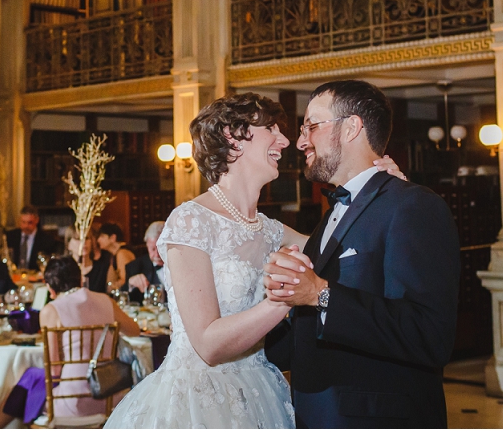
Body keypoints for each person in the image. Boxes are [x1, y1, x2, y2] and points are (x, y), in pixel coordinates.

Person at [105, 92, 405, 428]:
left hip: (260, 393)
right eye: (272, 128)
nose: (285, 140)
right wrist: (285, 299)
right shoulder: (191, 221)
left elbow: (352, 249)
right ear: (234, 137)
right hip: (196, 401)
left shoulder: (273, 232)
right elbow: (208, 344)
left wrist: (385, 192)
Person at [262, 80, 459, 428]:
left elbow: (429, 335)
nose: (300, 140)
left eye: (312, 126)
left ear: (352, 127)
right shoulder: (332, 216)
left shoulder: (413, 205)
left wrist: (321, 294)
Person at [0, 256, 140, 428]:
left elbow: (54, 370)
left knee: (28, 381)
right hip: (112, 397)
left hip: (72, 403)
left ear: (50, 288)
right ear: (80, 278)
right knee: (31, 377)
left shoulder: (51, 310)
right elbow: (135, 331)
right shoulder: (106, 300)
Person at [123, 221, 165, 303]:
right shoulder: (135, 267)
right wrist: (130, 285)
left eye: (161, 249)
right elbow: (124, 298)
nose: (157, 255)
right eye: (152, 249)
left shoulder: (183, 265)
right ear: (147, 246)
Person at [96, 223, 135, 290]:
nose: (98, 240)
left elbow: (124, 280)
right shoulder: (114, 254)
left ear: (113, 238)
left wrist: (108, 288)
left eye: (102, 236)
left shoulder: (122, 253)